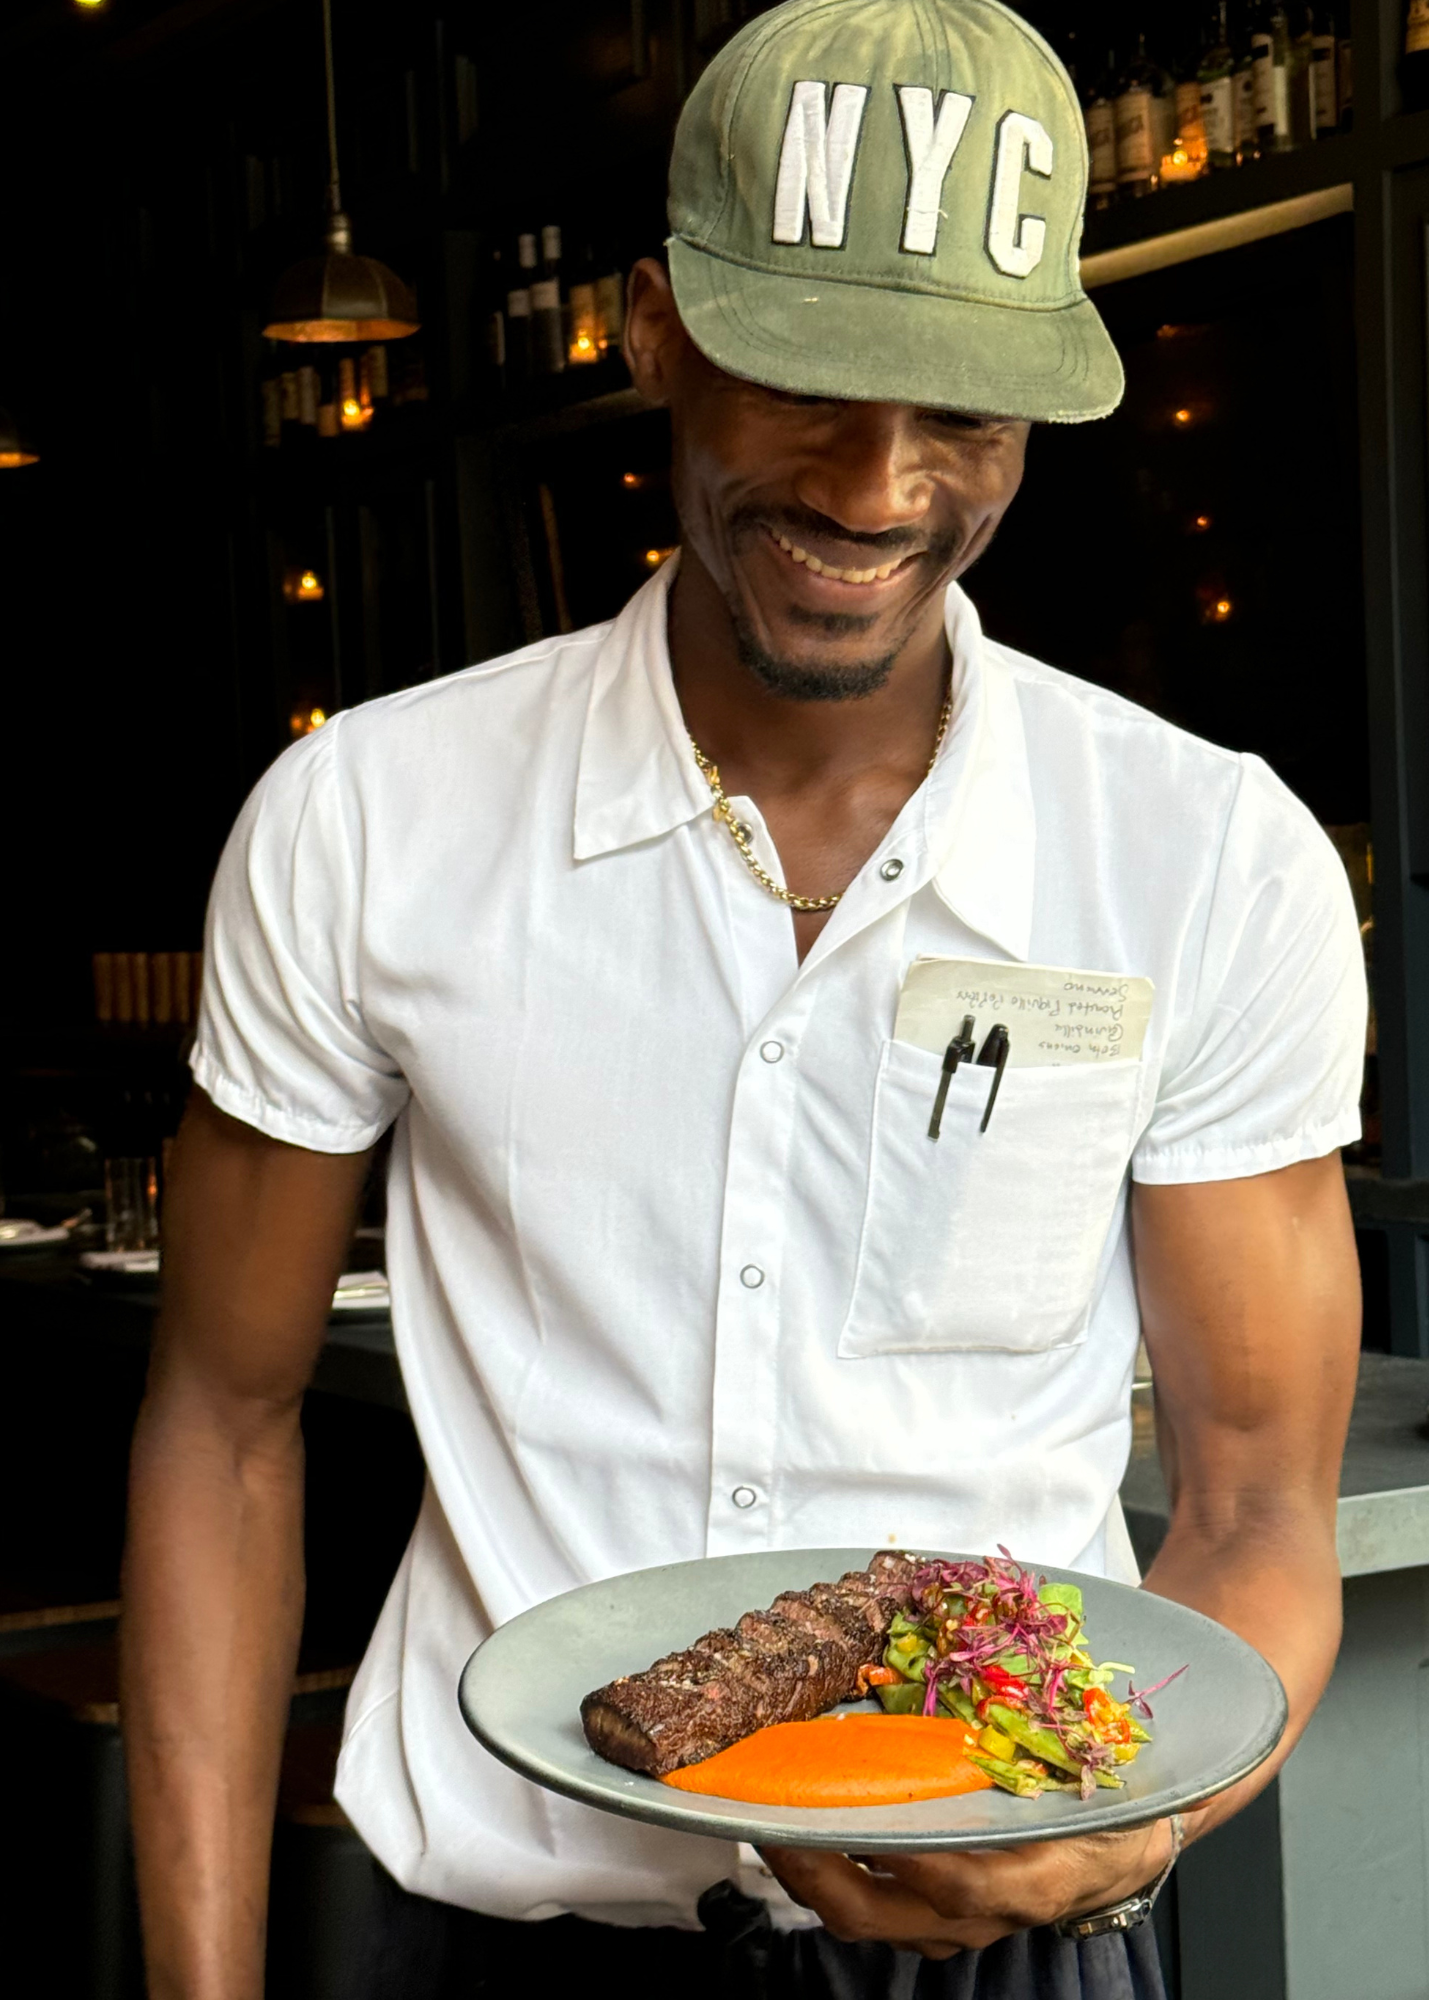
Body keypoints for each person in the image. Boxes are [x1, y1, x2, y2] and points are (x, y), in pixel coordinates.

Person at [120, 0, 1365, 1994]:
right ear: (653, 330)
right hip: (507, 1943)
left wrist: (1123, 1833)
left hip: (1013, 1948)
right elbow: (224, 1418)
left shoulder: (1204, 861)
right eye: (807, 377)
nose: (878, 488)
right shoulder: (366, 822)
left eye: (960, 412)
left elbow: (1251, 1498)